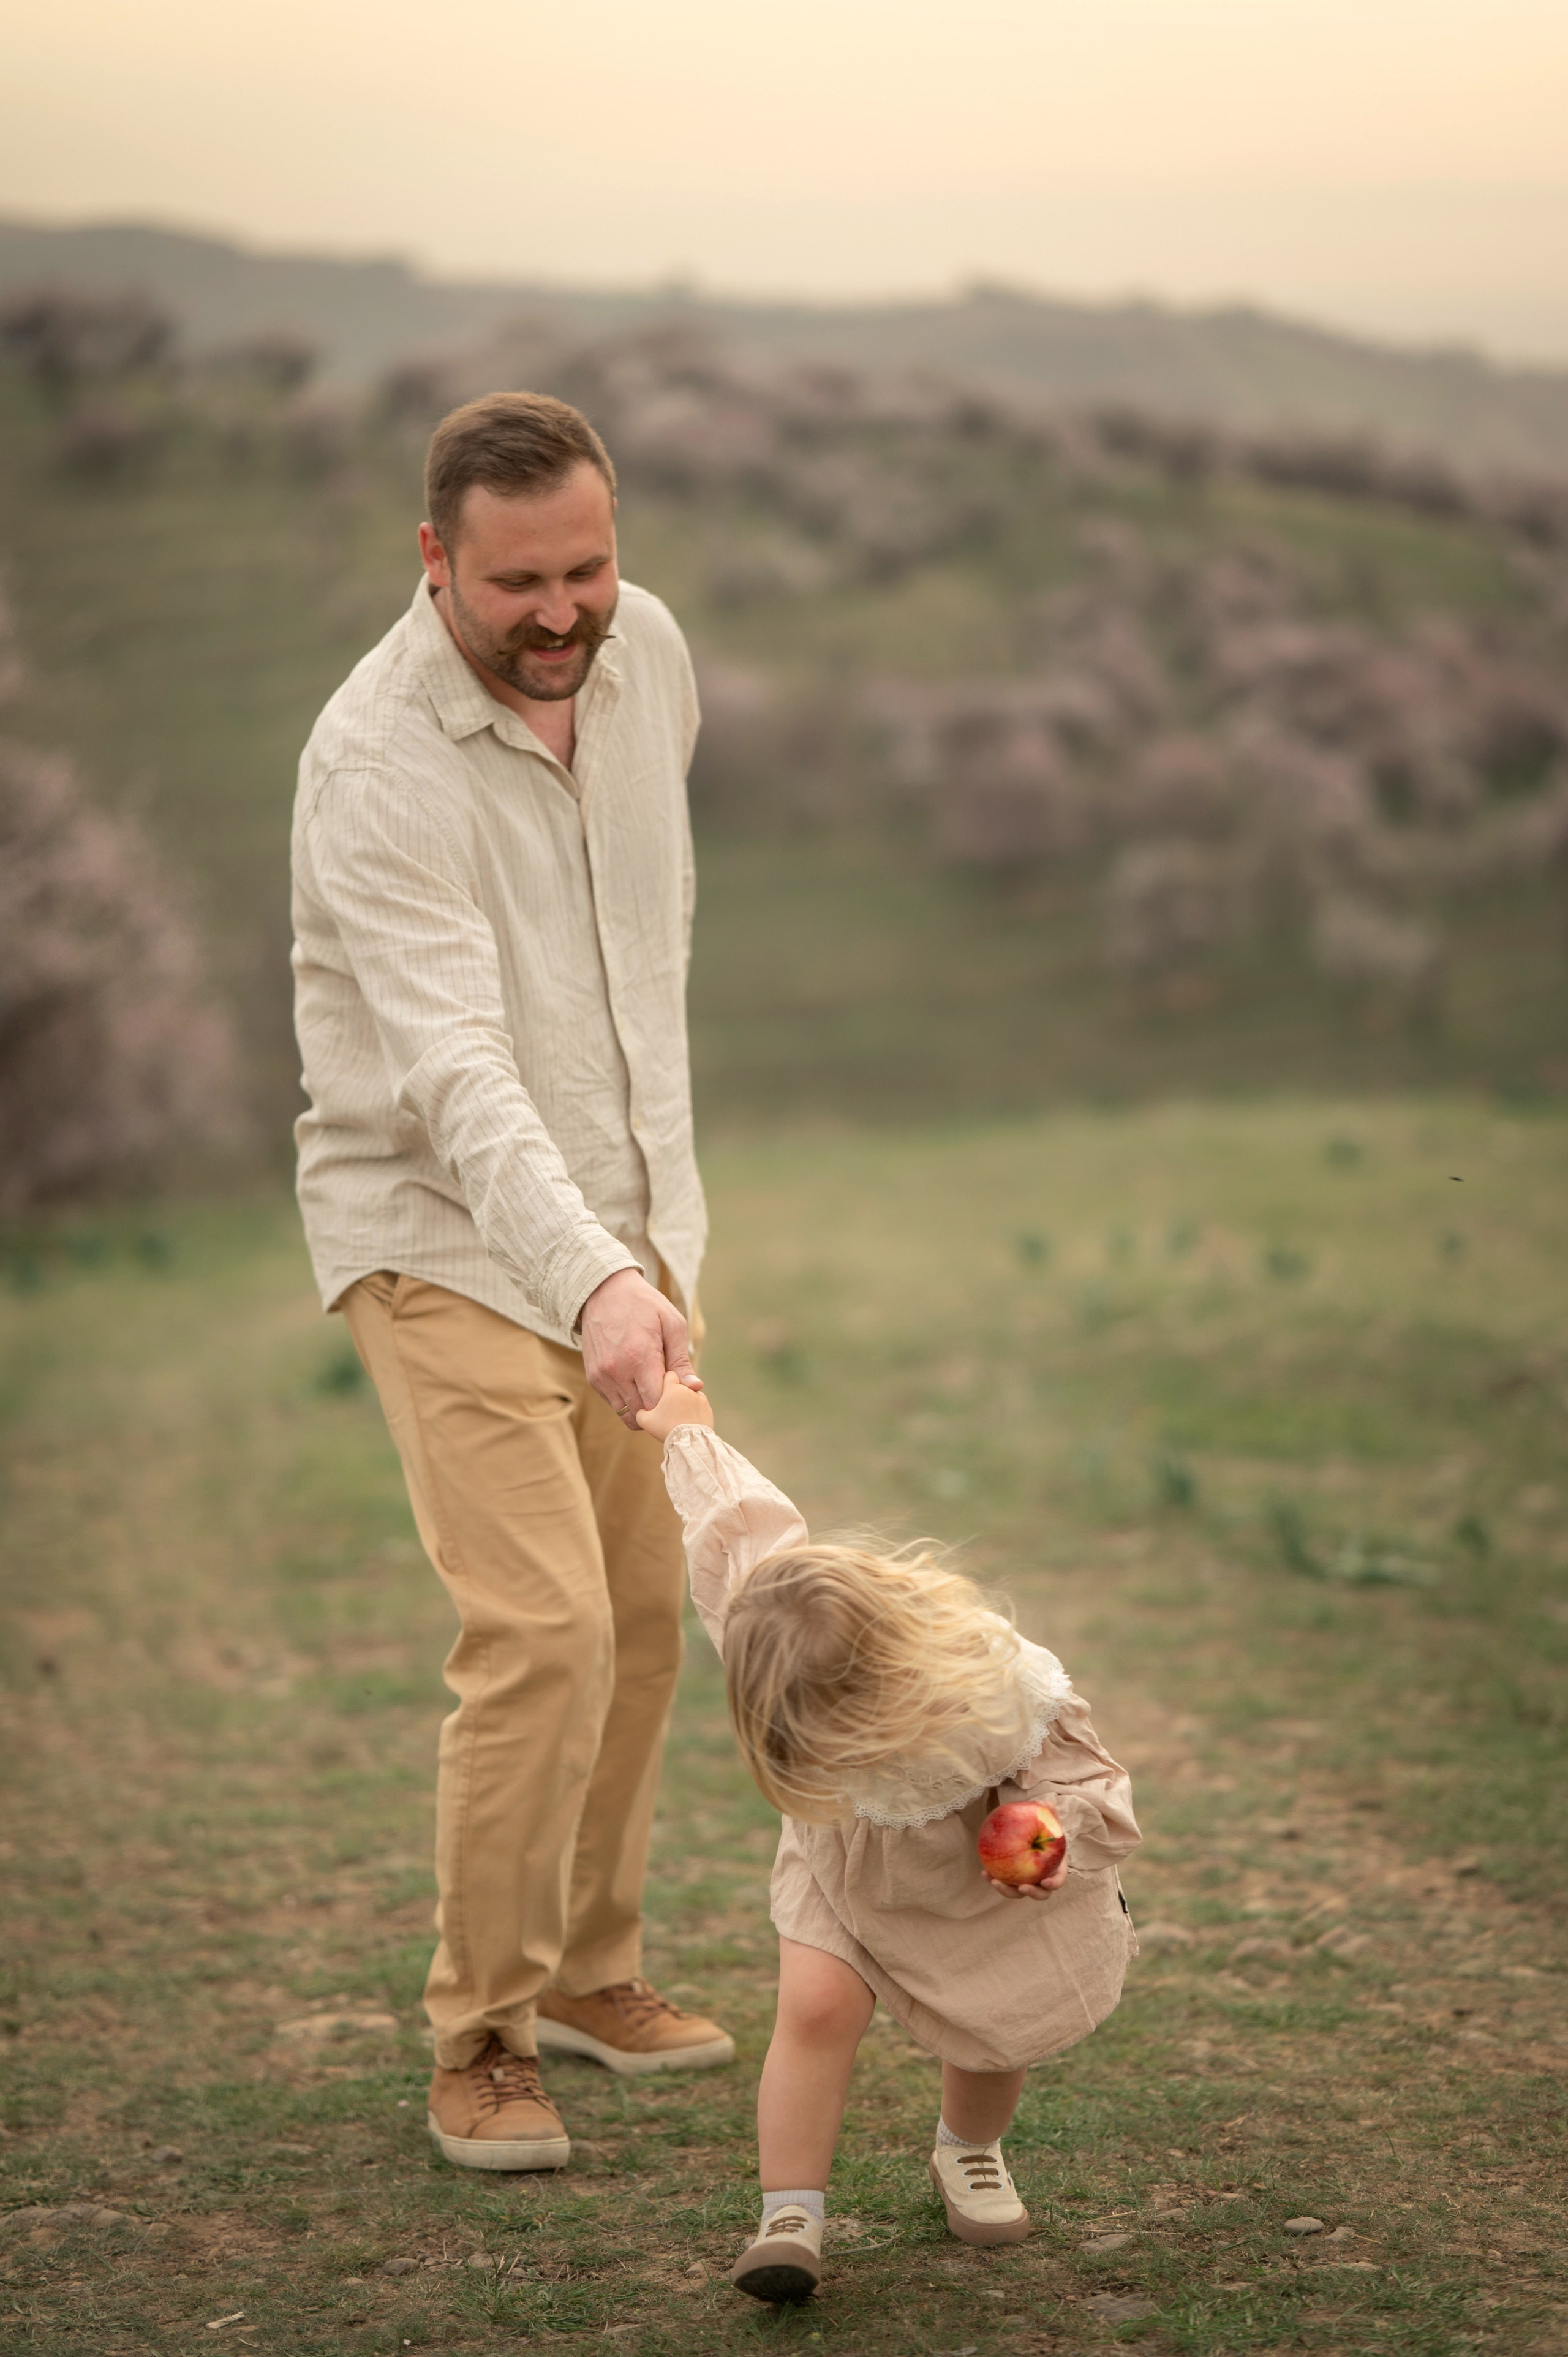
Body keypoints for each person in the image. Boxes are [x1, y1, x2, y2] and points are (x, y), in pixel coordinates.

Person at [290, 390, 733, 2176]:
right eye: (519, 584)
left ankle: (590, 1973)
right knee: (539, 1627)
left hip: (633, 1231)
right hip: (443, 1235)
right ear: (435, 561)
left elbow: (634, 965)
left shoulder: (653, 665)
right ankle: (478, 2031)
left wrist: (648, 1254)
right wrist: (589, 1278)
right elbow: (461, 1070)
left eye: (590, 569)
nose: (562, 614)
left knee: (642, 1621)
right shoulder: (374, 761)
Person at [635, 1371, 1142, 2303]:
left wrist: (1049, 1832)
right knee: (818, 2008)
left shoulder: (989, 1682)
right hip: (838, 1861)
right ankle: (791, 2213)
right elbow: (736, 1522)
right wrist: (686, 1431)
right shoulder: (771, 1619)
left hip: (967, 1868)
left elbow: (1077, 1770)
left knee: (992, 2019)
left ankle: (970, 2152)